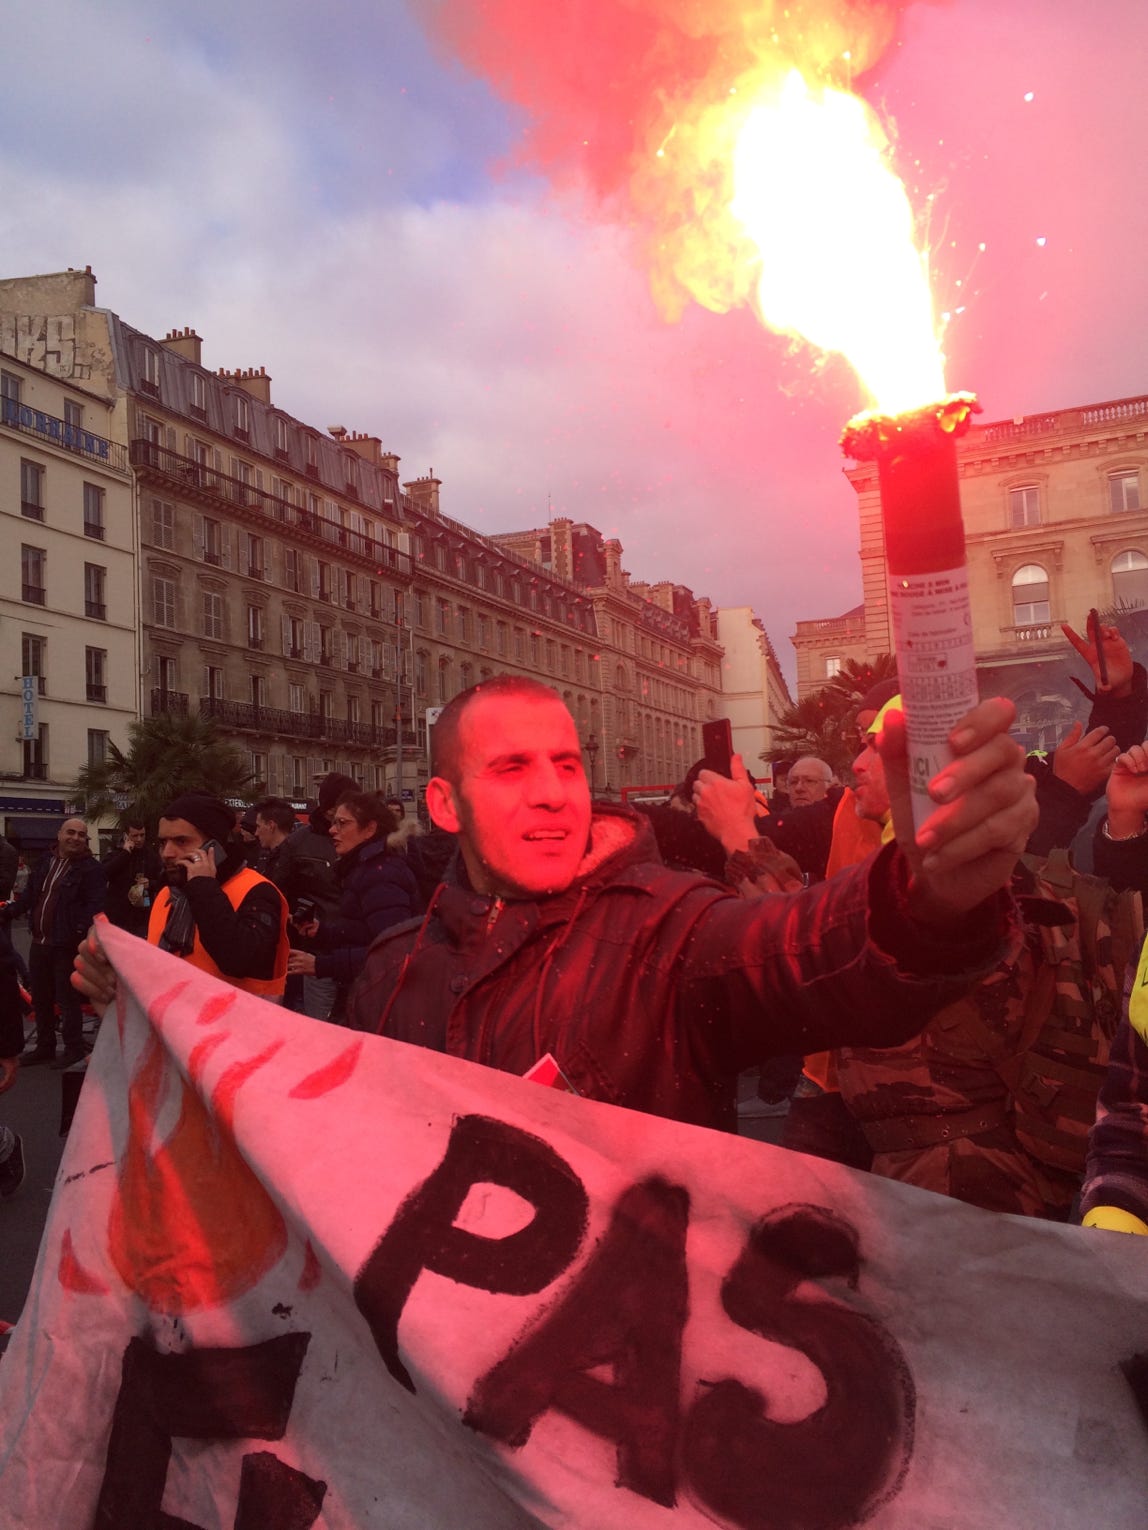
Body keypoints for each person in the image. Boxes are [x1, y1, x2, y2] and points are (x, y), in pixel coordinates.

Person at [300, 675, 1035, 1133]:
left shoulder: (665, 929)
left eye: (567, 765)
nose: (552, 792)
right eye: (511, 768)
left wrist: (926, 899)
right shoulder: (391, 971)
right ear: (444, 804)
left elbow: (805, 952)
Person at [286, 791, 420, 1019]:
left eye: (342, 823)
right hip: (369, 992)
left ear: (369, 829)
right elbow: (365, 931)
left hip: (381, 1000)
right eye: (333, 822)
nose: (332, 830)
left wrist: (321, 965)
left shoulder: (382, 873)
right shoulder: (365, 867)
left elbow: (392, 952)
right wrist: (323, 932)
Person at [144, 793, 290, 999]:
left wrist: (203, 888)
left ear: (214, 847)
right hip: (172, 1015)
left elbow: (239, 960)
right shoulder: (167, 894)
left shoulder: (257, 892)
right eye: (162, 842)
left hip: (239, 1017)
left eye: (181, 841)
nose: (167, 853)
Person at [0, 819, 105, 1069]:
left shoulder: (91, 869)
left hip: (65, 944)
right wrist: (8, 913)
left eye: (81, 834)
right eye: (71, 832)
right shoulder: (46, 861)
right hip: (40, 941)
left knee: (67, 999)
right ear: (59, 835)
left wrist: (77, 932)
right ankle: (45, 1046)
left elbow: (95, 905)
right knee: (41, 997)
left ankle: (73, 1048)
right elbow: (30, 896)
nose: (76, 838)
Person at [254, 796, 339, 1019]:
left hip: (304, 948)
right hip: (305, 948)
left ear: (271, 825)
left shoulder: (294, 854)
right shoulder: (279, 854)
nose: (256, 832)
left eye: (259, 826)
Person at [101, 820, 163, 937]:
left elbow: (163, 881)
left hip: (142, 914)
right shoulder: (116, 853)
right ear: (126, 836)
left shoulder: (151, 855)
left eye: (142, 835)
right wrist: (125, 853)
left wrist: (150, 883)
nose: (139, 839)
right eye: (135, 836)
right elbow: (104, 873)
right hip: (118, 914)